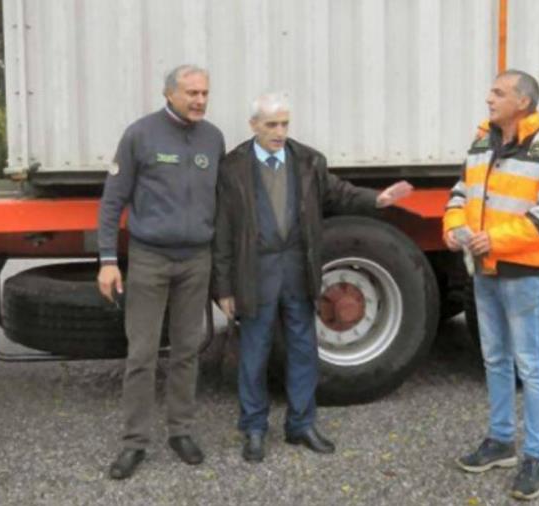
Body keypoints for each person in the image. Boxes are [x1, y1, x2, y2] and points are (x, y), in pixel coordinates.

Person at [212, 92, 413, 463]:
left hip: (297, 271)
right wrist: (222, 287)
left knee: (304, 350)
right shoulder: (233, 167)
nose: (279, 132)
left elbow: (340, 193)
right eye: (271, 124)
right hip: (254, 274)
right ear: (254, 125)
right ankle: (254, 428)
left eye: (285, 124)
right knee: (254, 353)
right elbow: (223, 231)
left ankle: (301, 424)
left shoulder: (307, 161)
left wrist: (377, 200)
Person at [443, 70, 539, 501]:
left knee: (530, 365)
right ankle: (500, 442)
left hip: (521, 273)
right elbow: (460, 194)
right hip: (485, 270)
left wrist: (494, 240)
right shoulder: (483, 141)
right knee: (495, 358)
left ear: (523, 101)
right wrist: (453, 227)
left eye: (498, 93)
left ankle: (534, 456)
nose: (489, 99)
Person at [97, 64, 225, 480]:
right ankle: (134, 443)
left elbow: (221, 206)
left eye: (204, 93)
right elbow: (112, 201)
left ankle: (181, 431)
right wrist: (107, 261)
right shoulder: (140, 134)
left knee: (189, 349)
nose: (200, 101)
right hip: (150, 258)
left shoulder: (213, 138)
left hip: (196, 259)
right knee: (142, 354)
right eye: (191, 93)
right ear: (169, 94)